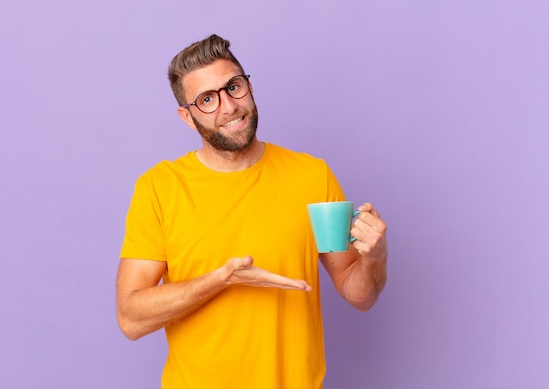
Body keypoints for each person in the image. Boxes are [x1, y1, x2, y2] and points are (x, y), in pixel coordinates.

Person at [116, 34, 388, 389]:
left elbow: (359, 294)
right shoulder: (159, 188)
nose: (228, 107)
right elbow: (130, 319)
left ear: (250, 87)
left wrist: (375, 258)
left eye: (233, 87)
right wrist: (220, 280)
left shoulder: (312, 177)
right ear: (187, 116)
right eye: (207, 100)